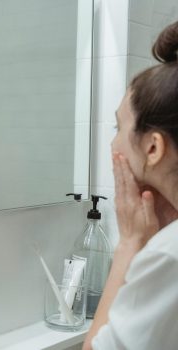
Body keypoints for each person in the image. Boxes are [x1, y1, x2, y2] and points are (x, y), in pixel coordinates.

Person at [83, 21, 178, 350]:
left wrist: (130, 242)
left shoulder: (169, 255)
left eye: (118, 127)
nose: (113, 144)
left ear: (153, 148)